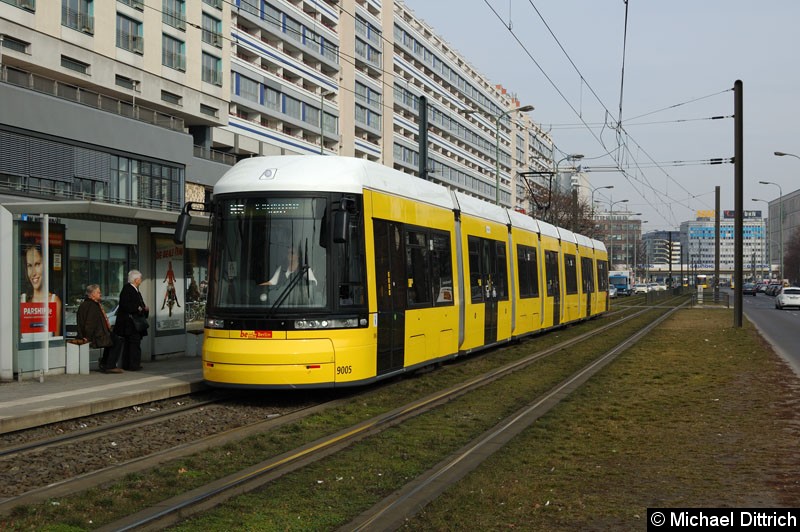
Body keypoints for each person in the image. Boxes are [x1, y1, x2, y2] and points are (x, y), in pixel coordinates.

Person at [76, 284, 123, 373]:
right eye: (98, 292)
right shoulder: (91, 306)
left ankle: (105, 363)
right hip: (97, 334)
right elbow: (90, 323)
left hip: (100, 332)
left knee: (113, 340)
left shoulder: (90, 304)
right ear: (92, 294)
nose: (100, 294)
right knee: (116, 341)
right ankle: (109, 365)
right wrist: (87, 336)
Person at [21, 243, 63, 335]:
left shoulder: (54, 301)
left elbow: (56, 341)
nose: (33, 273)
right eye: (29, 266)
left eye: (37, 264)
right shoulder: (22, 300)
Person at [114, 270, 149, 371]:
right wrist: (138, 308)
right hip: (130, 323)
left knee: (133, 343)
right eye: (140, 279)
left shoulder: (135, 290)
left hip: (134, 323)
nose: (141, 280)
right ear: (136, 279)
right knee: (133, 344)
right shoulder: (128, 289)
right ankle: (132, 365)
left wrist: (144, 308)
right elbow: (126, 305)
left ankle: (132, 364)